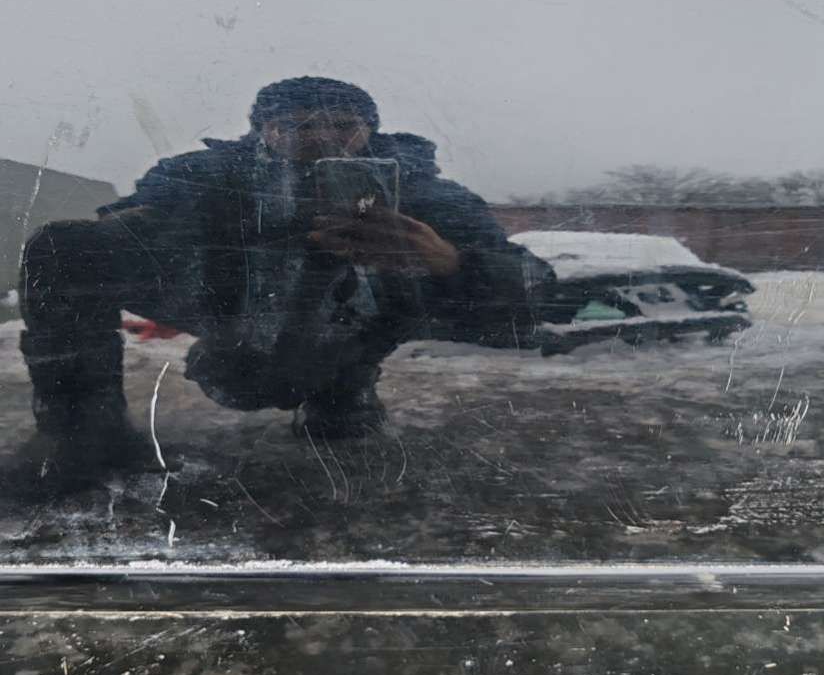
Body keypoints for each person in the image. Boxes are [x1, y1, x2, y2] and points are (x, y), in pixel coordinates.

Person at [13, 76, 554, 496]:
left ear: (370, 132)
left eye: (342, 124)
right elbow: (111, 233)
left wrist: (446, 259)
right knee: (63, 244)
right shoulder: (205, 176)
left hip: (353, 325)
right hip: (234, 314)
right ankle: (81, 427)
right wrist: (158, 227)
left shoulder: (422, 193)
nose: (320, 137)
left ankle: (343, 387)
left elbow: (534, 286)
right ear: (263, 133)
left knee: (342, 413)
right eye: (296, 124)